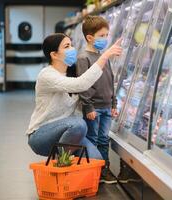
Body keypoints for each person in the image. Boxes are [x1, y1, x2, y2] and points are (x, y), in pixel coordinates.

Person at [27, 33, 122, 159]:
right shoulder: (47, 75)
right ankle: (61, 163)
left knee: (96, 159)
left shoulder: (72, 72)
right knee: (78, 124)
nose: (72, 49)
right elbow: (81, 84)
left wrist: (112, 104)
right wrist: (104, 56)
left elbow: (91, 89)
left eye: (71, 45)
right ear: (54, 54)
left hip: (69, 133)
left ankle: (66, 163)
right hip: (41, 135)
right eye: (66, 46)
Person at [76, 15, 118, 184]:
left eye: (107, 35)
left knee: (103, 139)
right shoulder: (83, 58)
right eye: (102, 36)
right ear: (89, 37)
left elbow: (111, 80)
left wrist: (113, 103)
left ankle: (104, 169)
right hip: (93, 108)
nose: (105, 39)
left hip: (107, 107)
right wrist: (88, 107)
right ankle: (92, 171)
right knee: (92, 140)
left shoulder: (104, 57)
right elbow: (82, 85)